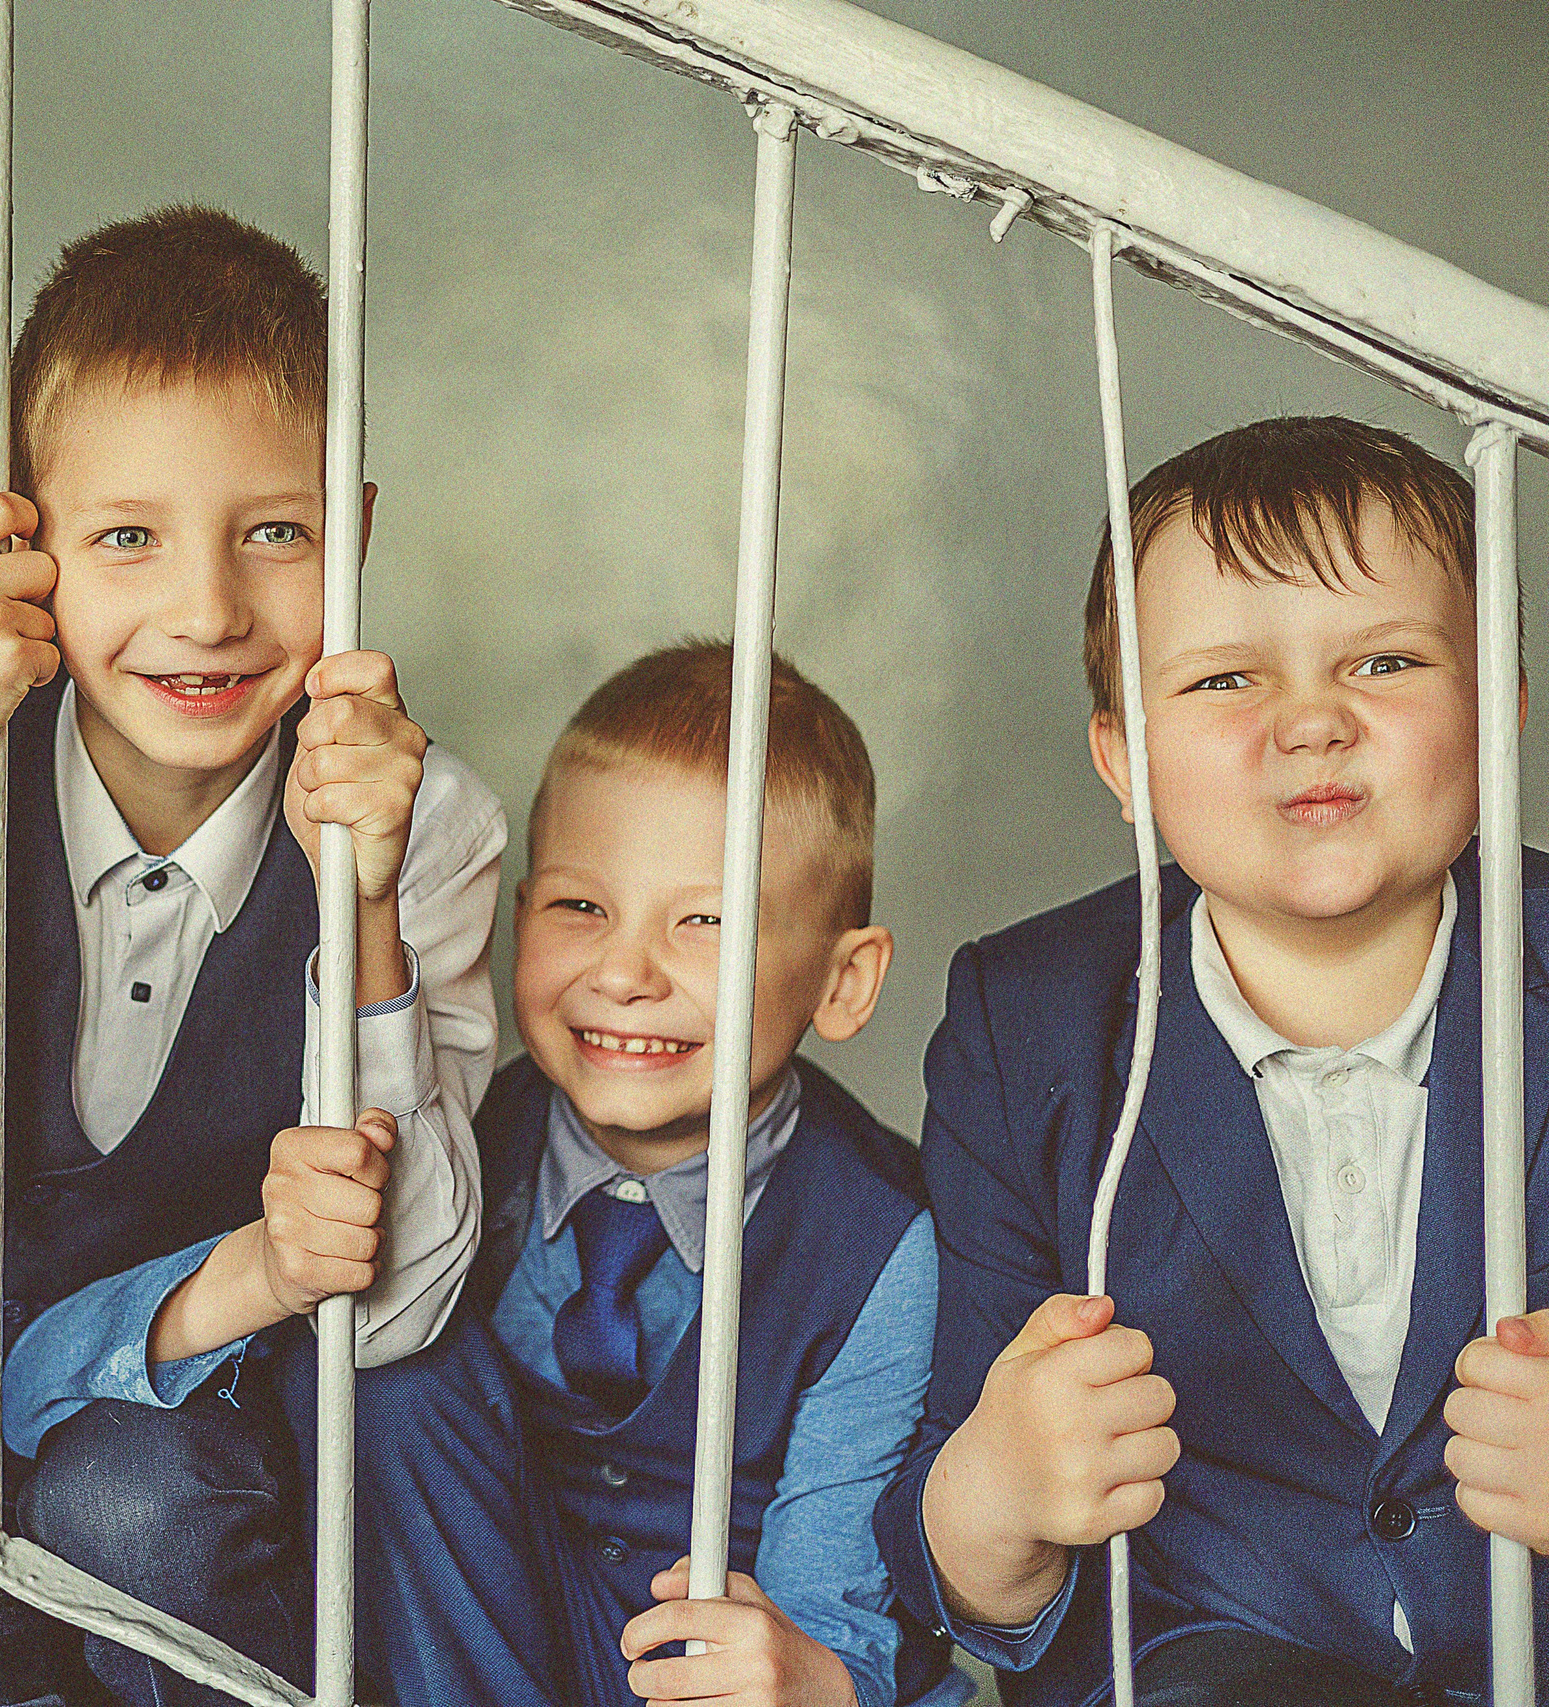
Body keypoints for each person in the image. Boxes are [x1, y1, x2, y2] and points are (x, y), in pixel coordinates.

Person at [0, 203, 505, 1706]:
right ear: (26, 544)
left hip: (224, 1461)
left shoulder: (425, 819)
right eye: (125, 538)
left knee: (131, 1499)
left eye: (274, 533)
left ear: (350, 534)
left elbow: (407, 1297)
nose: (210, 608)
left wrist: (353, 903)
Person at [873, 417, 1549, 1706]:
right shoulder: (1028, 1028)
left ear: (1500, 714)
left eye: (1386, 660)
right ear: (1124, 762)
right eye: (1225, 681)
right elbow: (949, 1539)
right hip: (1207, 1665)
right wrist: (998, 1493)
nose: (1311, 724)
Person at [329, 640, 961, 1707]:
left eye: (706, 922)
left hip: (728, 1673)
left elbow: (829, 1623)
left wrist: (804, 1674)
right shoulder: (464, 1132)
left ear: (843, 982)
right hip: (467, 1652)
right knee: (389, 1356)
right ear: (515, 918)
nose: (623, 974)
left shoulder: (884, 1244)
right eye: (581, 909)